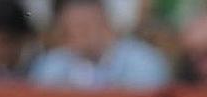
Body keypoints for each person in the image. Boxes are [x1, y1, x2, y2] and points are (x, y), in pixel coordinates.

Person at [28, 0, 169, 90]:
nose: (77, 35)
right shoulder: (54, 63)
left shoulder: (142, 60)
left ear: (105, 23)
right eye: (68, 30)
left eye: (84, 27)